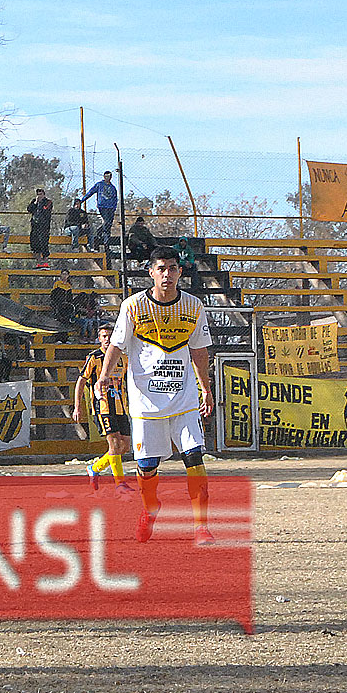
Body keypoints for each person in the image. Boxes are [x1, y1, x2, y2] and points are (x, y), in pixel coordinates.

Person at [96, 246, 215, 545]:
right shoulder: (133, 306)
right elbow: (117, 345)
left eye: (173, 268)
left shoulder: (193, 306)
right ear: (151, 272)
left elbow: (199, 351)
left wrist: (205, 389)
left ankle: (201, 527)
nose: (167, 274)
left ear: (180, 272)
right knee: (148, 469)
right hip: (146, 404)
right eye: (161, 268)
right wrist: (104, 375)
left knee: (194, 457)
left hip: (183, 400)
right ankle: (150, 511)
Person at [74, 322, 132, 494]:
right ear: (99, 339)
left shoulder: (123, 357)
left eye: (109, 336)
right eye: (104, 336)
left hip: (121, 406)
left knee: (124, 446)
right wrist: (77, 406)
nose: (107, 339)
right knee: (114, 442)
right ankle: (120, 483)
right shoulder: (94, 357)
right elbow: (81, 381)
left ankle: (95, 468)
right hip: (103, 406)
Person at [82, 170, 119, 248]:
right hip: (103, 206)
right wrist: (82, 200)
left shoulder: (113, 188)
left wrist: (114, 207)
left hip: (111, 208)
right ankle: (104, 237)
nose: (107, 178)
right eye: (105, 176)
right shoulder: (99, 184)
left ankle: (105, 239)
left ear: (111, 177)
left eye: (108, 177)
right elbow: (90, 192)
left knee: (109, 224)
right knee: (107, 222)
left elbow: (115, 198)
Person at [27, 189, 53, 269]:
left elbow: (46, 210)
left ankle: (45, 262)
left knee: (44, 243)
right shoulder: (34, 201)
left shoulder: (48, 202)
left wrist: (40, 203)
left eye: (41, 194)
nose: (39, 196)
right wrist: (35, 203)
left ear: (44, 194)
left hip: (44, 226)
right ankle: (39, 262)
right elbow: (29, 209)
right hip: (35, 226)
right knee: (34, 244)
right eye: (38, 194)